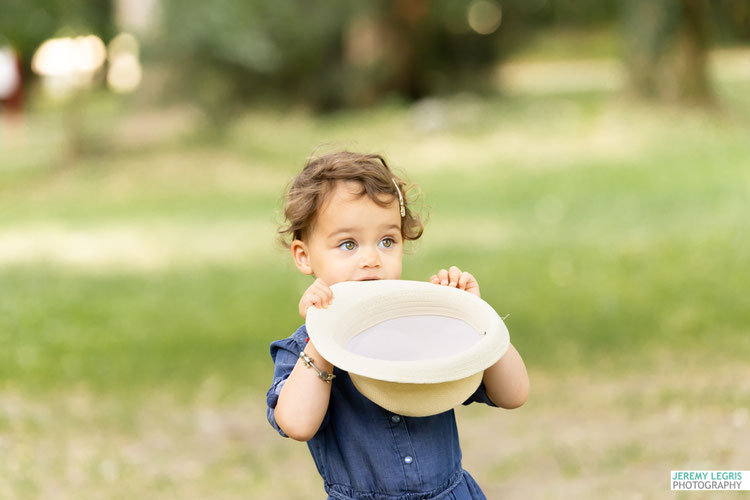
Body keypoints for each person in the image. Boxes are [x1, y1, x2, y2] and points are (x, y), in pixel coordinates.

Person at [266, 151, 530, 500]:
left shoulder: (426, 327)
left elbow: (513, 394)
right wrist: (321, 340)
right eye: (348, 244)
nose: (371, 259)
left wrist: (475, 318)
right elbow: (297, 424)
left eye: (387, 241)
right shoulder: (305, 349)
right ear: (304, 256)